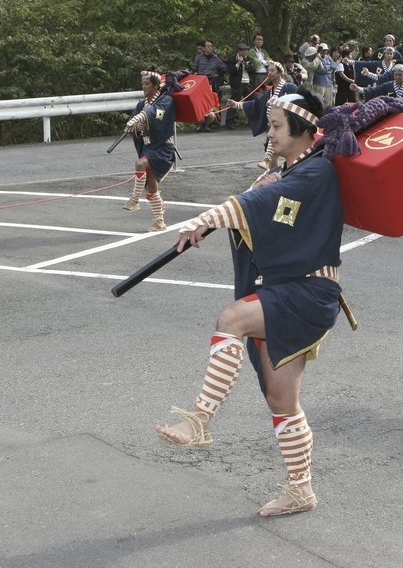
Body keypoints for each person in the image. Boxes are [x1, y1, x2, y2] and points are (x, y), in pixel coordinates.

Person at [154, 87, 342, 517]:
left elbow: (258, 205)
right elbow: (264, 209)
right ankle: (301, 491)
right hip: (286, 290)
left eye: (276, 126)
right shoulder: (294, 170)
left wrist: (206, 218)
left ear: (303, 129)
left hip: (307, 292)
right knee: (282, 401)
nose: (269, 134)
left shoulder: (317, 171)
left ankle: (199, 420)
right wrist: (258, 188)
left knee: (232, 319)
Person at [121, 70, 177, 231]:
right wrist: (135, 124)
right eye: (143, 84)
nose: (144, 87)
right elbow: (138, 126)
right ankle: (159, 221)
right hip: (148, 146)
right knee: (152, 187)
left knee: (140, 164)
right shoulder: (141, 104)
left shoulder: (166, 100)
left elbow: (155, 115)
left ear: (155, 85)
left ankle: (134, 200)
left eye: (147, 83)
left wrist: (139, 118)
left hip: (162, 147)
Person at [225, 43, 253, 130]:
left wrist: (247, 65)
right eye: (243, 50)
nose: (245, 52)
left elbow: (252, 70)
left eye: (246, 50)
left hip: (247, 82)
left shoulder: (248, 59)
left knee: (252, 99)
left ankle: (252, 119)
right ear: (239, 51)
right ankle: (229, 121)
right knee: (235, 101)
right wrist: (238, 63)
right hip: (237, 83)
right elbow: (231, 71)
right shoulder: (232, 59)